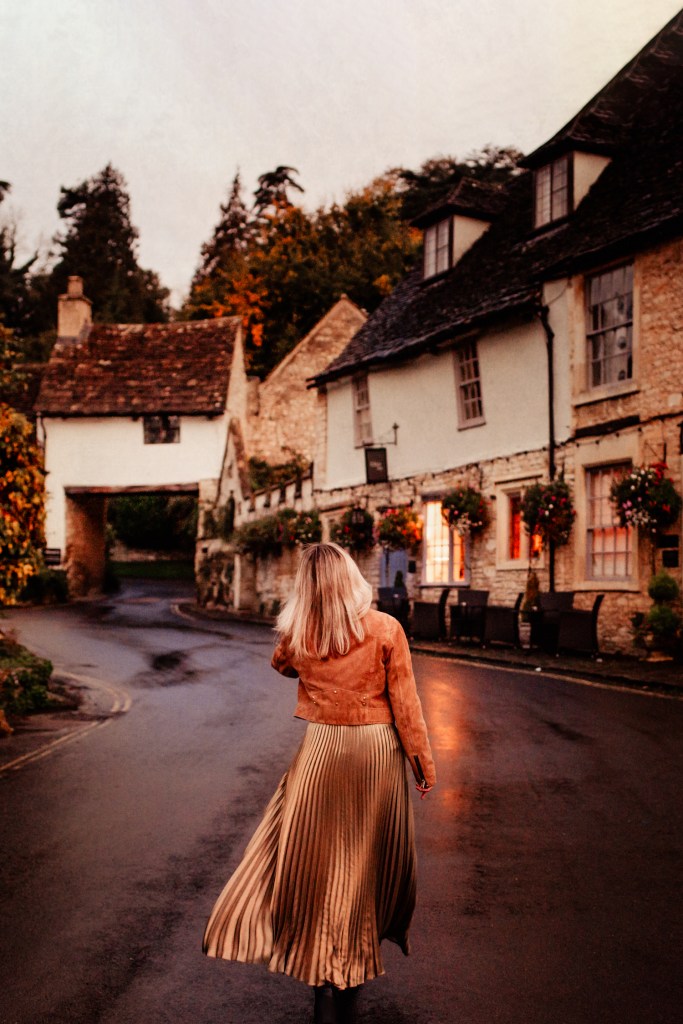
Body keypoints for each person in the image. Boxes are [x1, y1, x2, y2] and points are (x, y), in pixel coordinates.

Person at [203, 542, 436, 1024]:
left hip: (323, 751)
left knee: (318, 859)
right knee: (362, 861)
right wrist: (423, 765)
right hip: (376, 751)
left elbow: (281, 664)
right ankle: (348, 964)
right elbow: (407, 705)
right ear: (352, 578)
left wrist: (308, 633)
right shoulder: (385, 628)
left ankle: (324, 976)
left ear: (306, 588)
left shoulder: (299, 634)